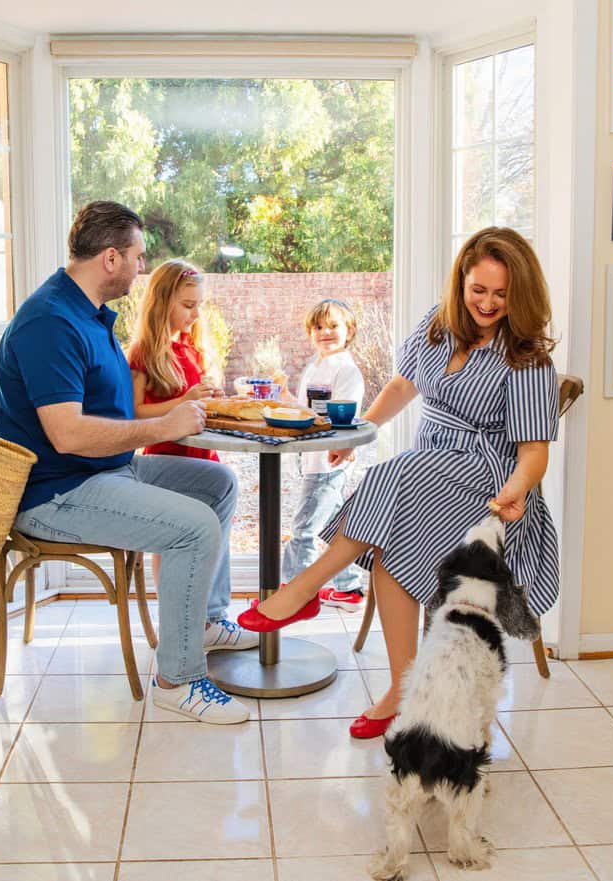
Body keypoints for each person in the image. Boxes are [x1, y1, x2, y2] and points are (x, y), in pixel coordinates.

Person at [238, 226, 561, 740]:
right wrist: (361, 432)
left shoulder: (527, 358)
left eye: (501, 294)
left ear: (519, 294)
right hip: (432, 473)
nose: (488, 303)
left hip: (491, 484)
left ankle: (302, 588)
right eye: (478, 290)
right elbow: (402, 385)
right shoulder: (439, 326)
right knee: (392, 538)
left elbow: (534, 452)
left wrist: (517, 489)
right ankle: (402, 691)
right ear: (461, 282)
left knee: (394, 473)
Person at [0, 201, 256, 726]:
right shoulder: (50, 322)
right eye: (137, 257)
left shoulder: (86, 312)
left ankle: (203, 622)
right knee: (194, 527)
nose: (141, 268)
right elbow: (67, 434)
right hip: (57, 493)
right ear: (110, 258)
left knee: (218, 484)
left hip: (105, 470)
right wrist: (162, 427)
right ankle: (178, 680)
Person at [127, 258, 225, 600]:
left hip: (203, 455)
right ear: (161, 302)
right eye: (187, 305)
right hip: (167, 455)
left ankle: (207, 610)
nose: (195, 314)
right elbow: (135, 413)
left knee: (212, 533)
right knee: (173, 540)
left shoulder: (189, 349)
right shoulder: (142, 354)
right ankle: (172, 607)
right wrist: (184, 400)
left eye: (199, 305)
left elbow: (194, 401)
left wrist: (210, 398)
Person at [281, 298, 368, 611]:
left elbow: (344, 415)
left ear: (349, 331)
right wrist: (286, 398)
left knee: (304, 528)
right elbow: (308, 411)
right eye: (318, 327)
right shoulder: (316, 366)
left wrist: (345, 445)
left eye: (333, 326)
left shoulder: (346, 370)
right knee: (333, 526)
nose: (325, 332)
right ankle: (350, 589)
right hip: (313, 459)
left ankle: (293, 594)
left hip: (328, 462)